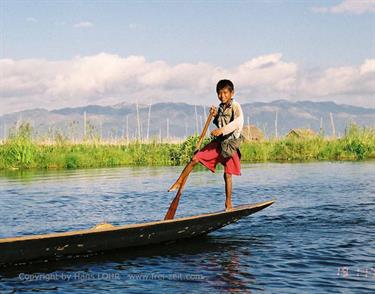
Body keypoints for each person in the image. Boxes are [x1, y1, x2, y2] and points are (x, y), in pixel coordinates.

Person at [168, 79, 244, 211]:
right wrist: (215, 116)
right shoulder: (221, 107)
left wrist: (221, 130)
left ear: (232, 93)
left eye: (225, 93)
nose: (222, 96)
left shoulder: (235, 106)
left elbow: (238, 123)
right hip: (219, 143)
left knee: (228, 174)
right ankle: (179, 180)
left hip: (231, 144)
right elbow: (220, 123)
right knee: (195, 158)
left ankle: (228, 203)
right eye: (219, 93)